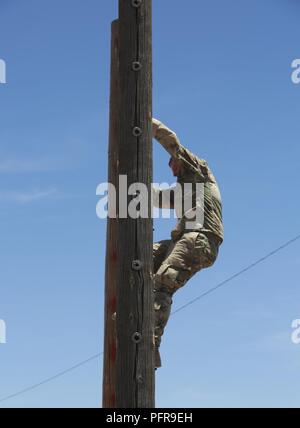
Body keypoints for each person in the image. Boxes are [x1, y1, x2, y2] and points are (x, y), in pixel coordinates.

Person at [152, 118, 224, 368]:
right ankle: (134, 306)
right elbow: (156, 197)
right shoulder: (185, 190)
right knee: (143, 255)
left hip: (202, 239)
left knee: (163, 281)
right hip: (187, 239)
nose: (171, 169)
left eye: (172, 164)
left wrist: (144, 120)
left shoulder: (199, 172)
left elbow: (170, 140)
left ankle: (151, 342)